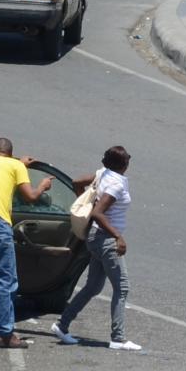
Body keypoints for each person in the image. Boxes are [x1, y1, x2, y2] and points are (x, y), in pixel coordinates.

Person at [0, 138, 54, 349]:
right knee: (6, 281)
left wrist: (19, 164)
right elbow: (30, 196)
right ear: (10, 153)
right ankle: (4, 333)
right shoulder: (15, 166)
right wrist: (42, 186)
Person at [55, 147, 139, 351]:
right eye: (127, 159)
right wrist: (117, 236)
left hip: (95, 237)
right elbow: (98, 214)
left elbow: (77, 182)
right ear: (123, 164)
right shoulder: (116, 184)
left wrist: (85, 201)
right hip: (106, 239)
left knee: (93, 287)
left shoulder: (103, 174)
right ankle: (118, 338)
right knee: (122, 287)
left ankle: (62, 325)